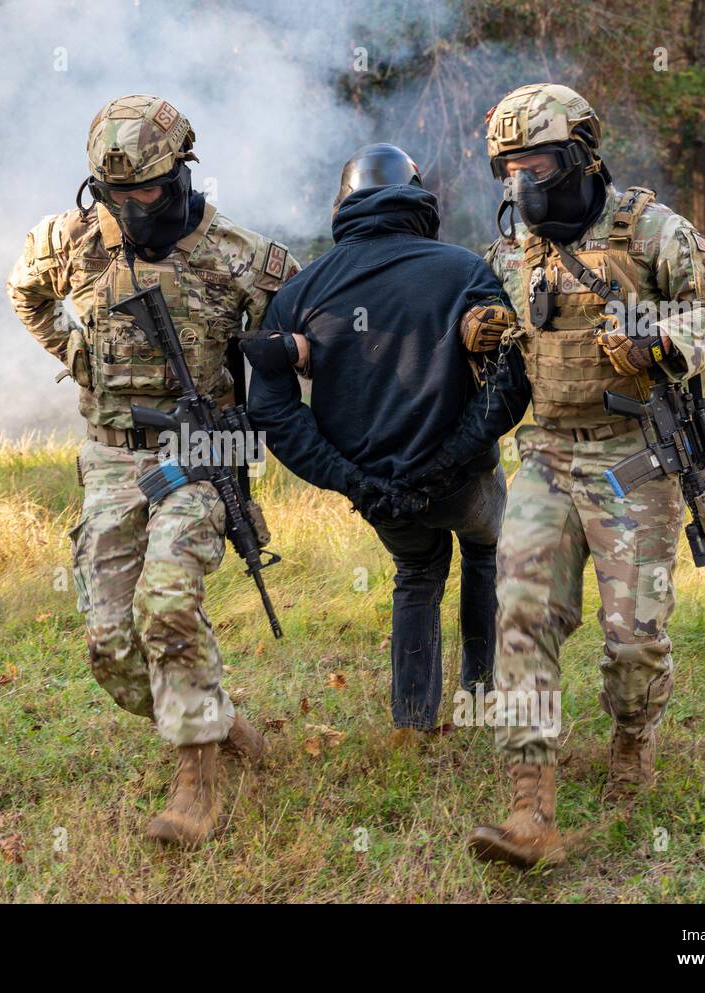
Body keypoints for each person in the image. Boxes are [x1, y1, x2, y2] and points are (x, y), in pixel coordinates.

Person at [415, 83, 705, 867]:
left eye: (535, 163)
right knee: (522, 614)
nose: (522, 183)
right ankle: (531, 802)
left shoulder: (647, 228)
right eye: (508, 169)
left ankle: (633, 737)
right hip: (547, 456)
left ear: (578, 156)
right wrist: (483, 333)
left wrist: (659, 340)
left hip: (635, 457)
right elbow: (506, 353)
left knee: (633, 639)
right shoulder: (512, 252)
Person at [6, 94, 299, 847]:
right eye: (116, 194)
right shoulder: (72, 239)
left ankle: (195, 779)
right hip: (109, 455)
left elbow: (301, 331)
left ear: (181, 174)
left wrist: (260, 391)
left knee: (167, 602)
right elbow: (24, 291)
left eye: (146, 190)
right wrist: (75, 356)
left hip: (200, 456)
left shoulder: (238, 252)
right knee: (110, 642)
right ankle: (218, 718)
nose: (132, 206)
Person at [243, 143, 518, 735]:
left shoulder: (299, 292)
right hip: (463, 480)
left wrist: (353, 480)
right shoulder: (465, 270)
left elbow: (272, 411)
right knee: (485, 551)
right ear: (415, 195)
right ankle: (480, 698)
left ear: (344, 203)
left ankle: (412, 726)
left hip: (376, 492)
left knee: (417, 574)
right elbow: (510, 385)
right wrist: (449, 460)